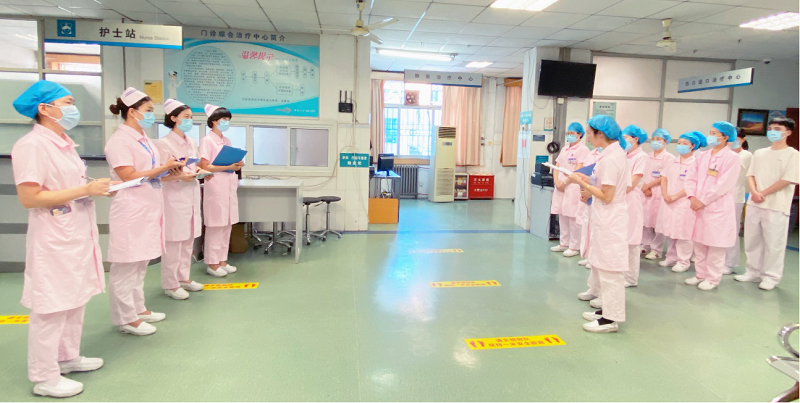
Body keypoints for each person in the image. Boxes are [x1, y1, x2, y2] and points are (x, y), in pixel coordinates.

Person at [11, 81, 111, 397]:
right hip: (53, 237)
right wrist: (84, 190)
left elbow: (65, 187)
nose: (73, 108)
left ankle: (67, 357)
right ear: (45, 108)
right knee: (51, 305)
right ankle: (44, 376)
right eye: (67, 102)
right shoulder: (31, 145)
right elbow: (30, 197)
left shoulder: (64, 143)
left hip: (74, 232)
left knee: (75, 298)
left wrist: (90, 189)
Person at [105, 87, 184, 336]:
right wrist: (161, 168)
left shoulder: (145, 140)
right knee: (126, 266)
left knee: (140, 264)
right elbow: (128, 176)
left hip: (147, 206)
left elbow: (151, 175)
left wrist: (172, 172)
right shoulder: (119, 141)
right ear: (132, 112)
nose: (152, 115)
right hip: (131, 209)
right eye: (148, 110)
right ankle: (126, 318)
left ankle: (138, 309)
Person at [568, 115, 629, 334]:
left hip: (611, 218)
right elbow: (602, 184)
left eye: (589, 133)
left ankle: (610, 319)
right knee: (603, 265)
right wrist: (587, 183)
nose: (588, 137)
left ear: (600, 134)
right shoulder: (609, 155)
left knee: (610, 270)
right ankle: (606, 310)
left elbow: (607, 196)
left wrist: (580, 182)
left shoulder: (612, 158)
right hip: (604, 216)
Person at [736, 117, 799, 290]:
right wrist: (754, 192)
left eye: (777, 129)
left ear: (788, 132)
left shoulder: (793, 155)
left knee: (774, 243)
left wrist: (762, 193)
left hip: (776, 206)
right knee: (752, 240)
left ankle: (771, 277)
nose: (772, 132)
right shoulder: (760, 153)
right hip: (755, 203)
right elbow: (750, 175)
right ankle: (752, 271)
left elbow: (787, 179)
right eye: (770, 128)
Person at [155, 99, 206, 300]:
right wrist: (180, 176)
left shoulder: (191, 142)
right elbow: (158, 175)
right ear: (174, 118)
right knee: (174, 243)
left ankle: (184, 278)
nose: (189, 120)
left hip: (190, 194)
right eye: (186, 117)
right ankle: (170, 284)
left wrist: (198, 171)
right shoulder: (163, 144)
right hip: (173, 198)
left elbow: (194, 165)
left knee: (187, 241)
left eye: (191, 117)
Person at [684, 121, 741, 291]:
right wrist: (692, 197)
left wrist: (702, 200)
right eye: (710, 132)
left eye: (714, 133)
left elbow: (724, 184)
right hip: (697, 205)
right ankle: (700, 274)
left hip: (717, 207)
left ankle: (713, 278)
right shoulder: (702, 156)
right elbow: (690, 177)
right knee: (699, 243)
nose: (711, 136)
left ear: (725, 137)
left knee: (715, 245)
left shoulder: (732, 158)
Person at [198, 104, 243, 277]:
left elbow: (229, 163)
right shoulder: (207, 141)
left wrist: (237, 164)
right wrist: (227, 166)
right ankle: (212, 264)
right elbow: (204, 166)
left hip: (228, 186)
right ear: (214, 121)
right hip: (215, 186)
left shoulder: (227, 141)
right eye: (224, 119)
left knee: (227, 225)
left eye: (228, 119)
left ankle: (222, 261)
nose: (226, 122)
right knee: (216, 226)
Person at [657, 132, 706, 273]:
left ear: (693, 146)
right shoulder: (672, 161)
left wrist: (676, 196)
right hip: (669, 200)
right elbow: (664, 178)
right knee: (670, 230)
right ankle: (671, 257)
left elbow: (693, 184)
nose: (680, 145)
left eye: (685, 143)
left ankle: (683, 261)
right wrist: (665, 194)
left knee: (683, 232)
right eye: (679, 143)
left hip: (684, 202)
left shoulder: (696, 163)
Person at [549, 122, 590, 257]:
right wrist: (557, 182)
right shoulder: (565, 149)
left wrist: (565, 183)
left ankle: (574, 246)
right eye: (568, 133)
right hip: (561, 186)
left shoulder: (583, 150)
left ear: (580, 134)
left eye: (572, 133)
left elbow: (578, 170)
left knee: (573, 216)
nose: (569, 136)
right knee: (562, 214)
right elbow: (557, 166)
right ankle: (564, 243)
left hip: (573, 186)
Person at [641, 129, 675, 260]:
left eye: (659, 139)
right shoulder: (647, 156)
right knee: (645, 220)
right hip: (645, 191)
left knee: (658, 223)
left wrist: (649, 185)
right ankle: (645, 244)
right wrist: (645, 187)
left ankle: (657, 249)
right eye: (654, 139)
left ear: (665, 141)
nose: (655, 142)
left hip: (659, 192)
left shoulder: (669, 158)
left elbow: (665, 177)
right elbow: (642, 173)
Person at [621, 125, 648, 288]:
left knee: (631, 240)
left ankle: (631, 278)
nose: (623, 140)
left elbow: (632, 182)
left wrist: (613, 192)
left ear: (635, 139)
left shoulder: (641, 157)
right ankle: (621, 274)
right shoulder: (624, 155)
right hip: (620, 199)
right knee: (622, 239)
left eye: (625, 137)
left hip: (631, 199)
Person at [723, 129, 752, 274]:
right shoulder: (724, 153)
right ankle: (719, 260)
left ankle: (730, 262)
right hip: (719, 196)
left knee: (731, 229)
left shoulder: (745, 155)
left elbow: (730, 171)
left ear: (742, 139)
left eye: (736, 138)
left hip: (735, 197)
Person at [577, 145, 602, 268]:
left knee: (598, 230)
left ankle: (596, 258)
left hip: (601, 198)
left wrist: (590, 191)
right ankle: (590, 256)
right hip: (592, 194)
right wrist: (585, 191)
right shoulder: (592, 154)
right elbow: (591, 176)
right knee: (589, 227)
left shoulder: (612, 157)